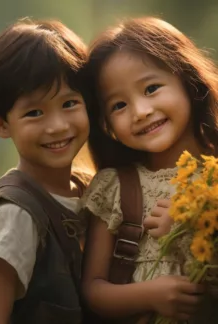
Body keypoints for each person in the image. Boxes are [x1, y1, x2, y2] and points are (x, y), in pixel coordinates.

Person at [80, 17, 218, 323]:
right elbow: (92, 290)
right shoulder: (115, 186)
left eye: (151, 88)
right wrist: (152, 294)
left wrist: (187, 229)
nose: (140, 112)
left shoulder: (215, 180)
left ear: (187, 79)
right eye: (118, 105)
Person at [0, 18, 93, 324]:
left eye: (69, 103)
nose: (57, 125)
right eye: (34, 113)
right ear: (0, 124)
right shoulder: (15, 214)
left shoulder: (89, 190)